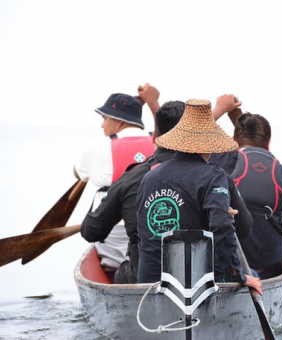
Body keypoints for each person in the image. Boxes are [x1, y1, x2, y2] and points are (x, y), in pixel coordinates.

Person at [136, 99, 261, 293]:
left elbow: (143, 233)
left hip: (150, 284)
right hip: (197, 286)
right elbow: (223, 227)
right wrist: (238, 276)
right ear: (211, 144)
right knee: (255, 275)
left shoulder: (148, 178)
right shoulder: (214, 176)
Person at [211, 108, 282, 279]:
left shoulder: (222, 162)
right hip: (270, 268)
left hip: (232, 268)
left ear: (234, 140)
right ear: (269, 142)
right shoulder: (281, 172)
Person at [75, 93, 154, 270]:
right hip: (156, 231)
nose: (102, 125)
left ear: (119, 121)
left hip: (115, 238)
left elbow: (77, 173)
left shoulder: (98, 148)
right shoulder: (158, 143)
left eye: (104, 118)